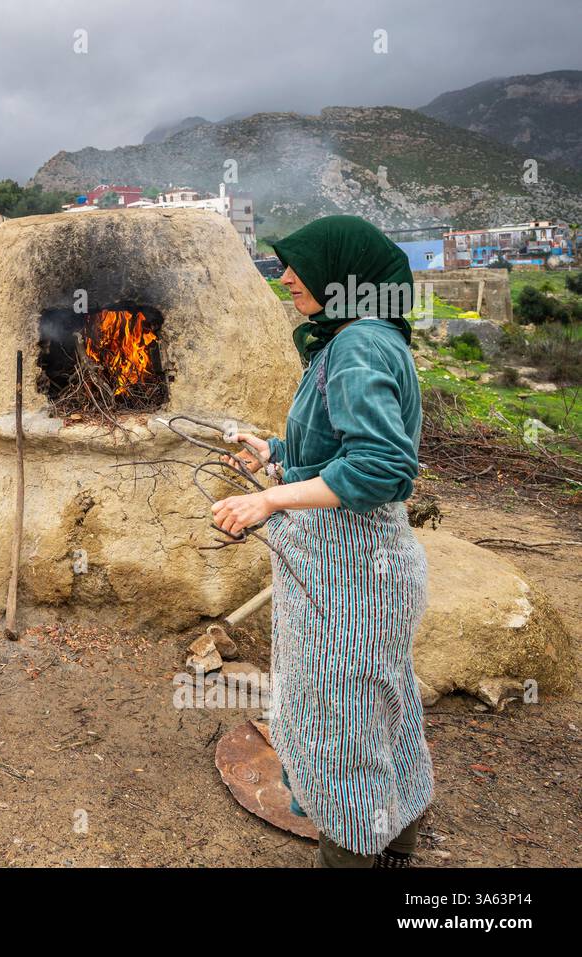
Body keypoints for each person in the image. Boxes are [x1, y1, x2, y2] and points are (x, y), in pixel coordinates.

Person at [211, 215, 433, 868]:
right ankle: (397, 851)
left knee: (342, 736)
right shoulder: (346, 339)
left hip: (355, 574)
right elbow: (335, 452)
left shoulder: (360, 343)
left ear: (341, 272)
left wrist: (268, 497)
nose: (284, 277)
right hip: (351, 568)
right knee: (383, 720)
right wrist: (276, 455)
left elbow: (382, 466)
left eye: (297, 265)